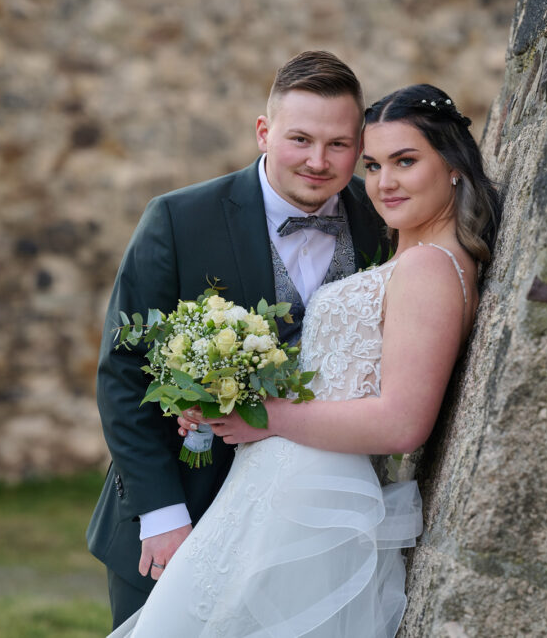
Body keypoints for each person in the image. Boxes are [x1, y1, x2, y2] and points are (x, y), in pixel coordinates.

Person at [110, 83, 501, 637]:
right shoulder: (411, 252)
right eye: (374, 164)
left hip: (312, 497)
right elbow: (125, 371)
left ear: (455, 167)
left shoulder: (427, 267)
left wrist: (265, 417)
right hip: (275, 487)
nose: (383, 183)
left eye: (406, 162)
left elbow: (403, 421)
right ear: (265, 133)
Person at [86, 50, 389, 629]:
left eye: (339, 145)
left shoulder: (382, 220)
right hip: (186, 508)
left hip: (317, 517)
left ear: (360, 145)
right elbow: (125, 375)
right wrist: (162, 513)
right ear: (263, 132)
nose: (318, 162)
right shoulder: (178, 219)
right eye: (299, 139)